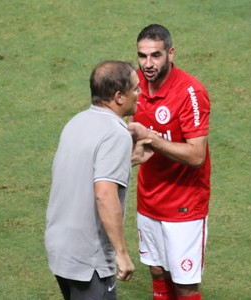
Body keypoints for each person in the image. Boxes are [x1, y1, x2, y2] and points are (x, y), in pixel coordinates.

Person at [45, 60, 154, 300]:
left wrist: (128, 161)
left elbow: (83, 175)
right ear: (118, 96)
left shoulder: (76, 122)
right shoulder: (116, 134)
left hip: (61, 248)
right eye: (135, 88)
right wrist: (121, 253)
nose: (140, 93)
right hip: (89, 258)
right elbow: (104, 194)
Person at [128, 24, 212, 300]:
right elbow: (130, 129)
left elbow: (197, 155)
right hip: (149, 199)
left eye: (155, 55)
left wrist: (151, 138)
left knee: (185, 285)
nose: (148, 64)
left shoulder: (190, 92)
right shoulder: (135, 85)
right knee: (157, 272)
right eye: (142, 56)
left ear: (171, 54)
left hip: (184, 204)